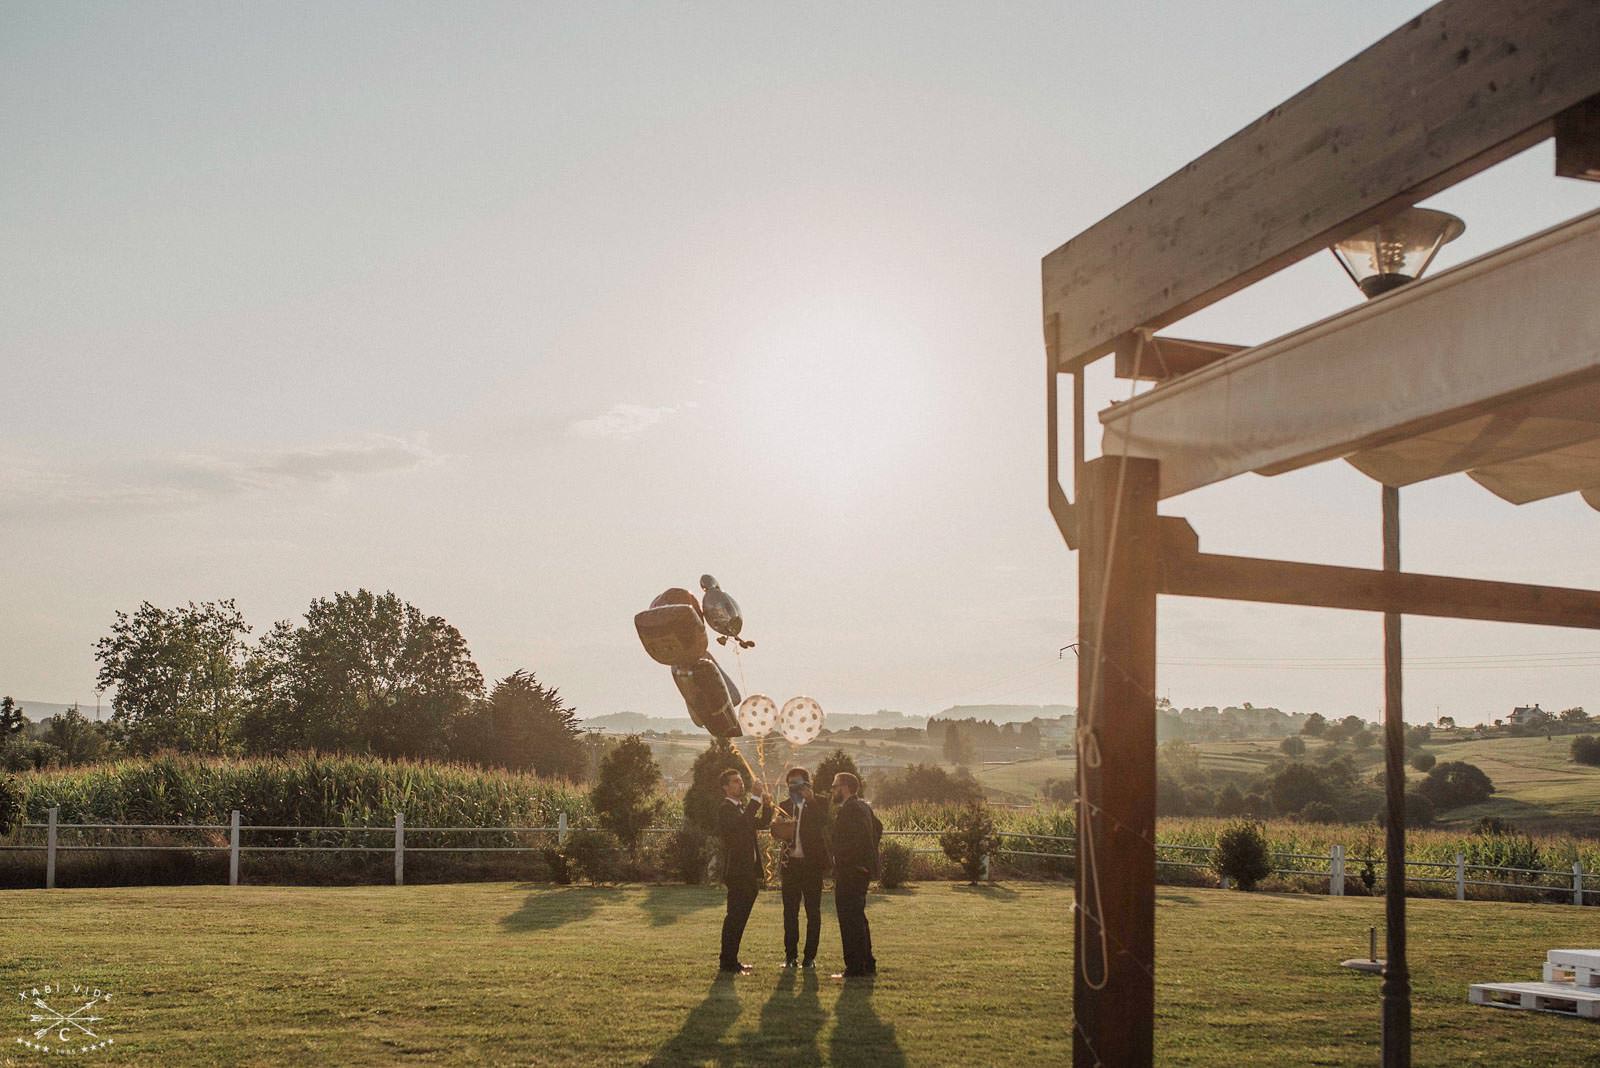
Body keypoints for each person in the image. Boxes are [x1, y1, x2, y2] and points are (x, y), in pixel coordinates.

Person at [773, 766, 831, 969]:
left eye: (798, 783)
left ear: (807, 783)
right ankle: (790, 956)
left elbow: (824, 821)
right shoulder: (784, 805)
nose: (794, 788)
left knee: (813, 912)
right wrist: (778, 828)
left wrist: (812, 801)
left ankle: (809, 957)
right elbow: (776, 833)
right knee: (789, 912)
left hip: (812, 865)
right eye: (790, 784)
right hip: (791, 865)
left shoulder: (820, 802)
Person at [716, 767, 771, 974]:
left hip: (748, 873)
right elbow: (740, 824)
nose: (740, 784)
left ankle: (731, 960)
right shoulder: (726, 809)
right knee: (734, 918)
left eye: (740, 781)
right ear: (725, 787)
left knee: (740, 919)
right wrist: (755, 798)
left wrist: (766, 805)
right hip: (737, 872)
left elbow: (761, 822)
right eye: (735, 781)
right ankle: (727, 961)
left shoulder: (741, 809)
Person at [829, 771, 881, 979]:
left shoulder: (850, 809)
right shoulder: (863, 807)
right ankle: (867, 962)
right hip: (859, 870)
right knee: (858, 917)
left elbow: (855, 839)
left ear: (845, 787)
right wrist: (869, 857)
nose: (832, 790)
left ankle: (855, 967)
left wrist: (847, 859)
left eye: (834, 786)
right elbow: (878, 827)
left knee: (849, 919)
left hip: (851, 871)